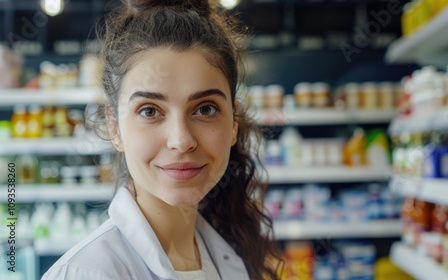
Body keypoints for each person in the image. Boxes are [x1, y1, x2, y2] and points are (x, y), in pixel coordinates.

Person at [42, 0, 282, 279]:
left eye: (205, 109)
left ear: (233, 123)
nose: (181, 141)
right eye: (150, 111)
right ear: (114, 126)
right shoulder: (87, 273)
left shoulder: (227, 254)